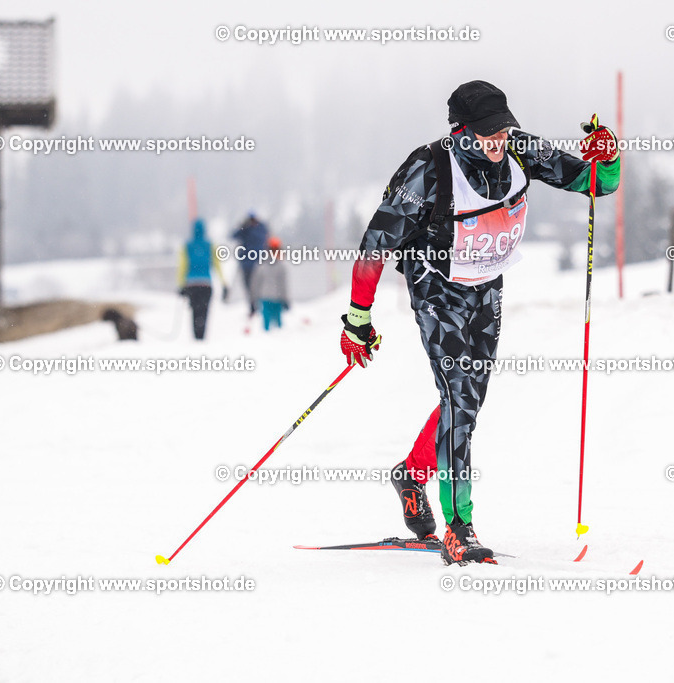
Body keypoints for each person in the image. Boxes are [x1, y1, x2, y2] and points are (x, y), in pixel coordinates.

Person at [339, 80, 620, 565]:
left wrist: (606, 156)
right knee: (458, 403)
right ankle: (459, 527)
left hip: (487, 285)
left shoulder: (518, 148)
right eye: (487, 134)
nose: (497, 142)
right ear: (460, 131)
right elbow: (375, 245)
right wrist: (357, 318)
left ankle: (412, 473)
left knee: (467, 401)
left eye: (503, 131)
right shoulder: (427, 168)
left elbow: (595, 184)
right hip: (436, 287)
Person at [178, 218, 227, 340]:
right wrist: (223, 283)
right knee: (204, 310)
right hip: (206, 284)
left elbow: (182, 266)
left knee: (195, 310)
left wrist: (181, 284)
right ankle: (202, 334)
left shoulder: (187, 246)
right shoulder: (210, 245)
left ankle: (196, 334)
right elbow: (217, 265)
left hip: (191, 284)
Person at [231, 212, 269, 315]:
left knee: (254, 286)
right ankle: (255, 305)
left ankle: (255, 306)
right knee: (252, 287)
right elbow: (233, 236)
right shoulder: (256, 229)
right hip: (252, 264)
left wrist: (243, 228)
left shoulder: (255, 230)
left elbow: (234, 235)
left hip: (253, 264)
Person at [251, 236, 290, 331]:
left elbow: (256, 283)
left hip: (265, 297)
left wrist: (254, 298)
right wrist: (285, 299)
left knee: (267, 325)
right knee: (278, 324)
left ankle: (269, 340)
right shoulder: (281, 267)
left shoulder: (261, 264)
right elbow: (283, 285)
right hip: (277, 297)